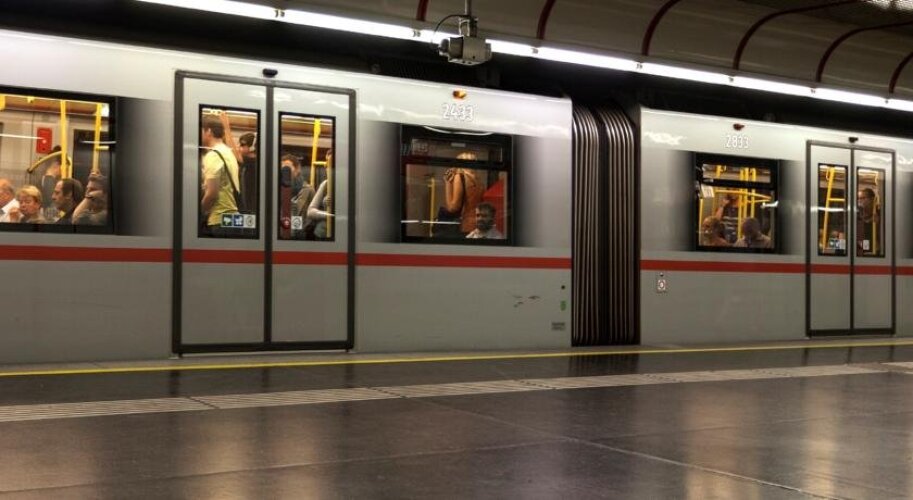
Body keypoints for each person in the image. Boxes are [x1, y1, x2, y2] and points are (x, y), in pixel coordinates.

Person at [200, 114, 241, 233]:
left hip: (219, 219)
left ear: (208, 131)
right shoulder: (228, 152)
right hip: (232, 218)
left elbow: (212, 193)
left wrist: (198, 212)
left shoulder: (213, 155)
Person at [441, 151, 484, 236]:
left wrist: (447, 182)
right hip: (477, 224)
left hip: (464, 225)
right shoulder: (479, 180)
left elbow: (453, 208)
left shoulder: (460, 177)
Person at [857, 187, 880, 255]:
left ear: (872, 199)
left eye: (863, 198)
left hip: (876, 251)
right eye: (859, 198)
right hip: (861, 250)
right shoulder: (857, 214)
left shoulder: (879, 213)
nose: (860, 201)